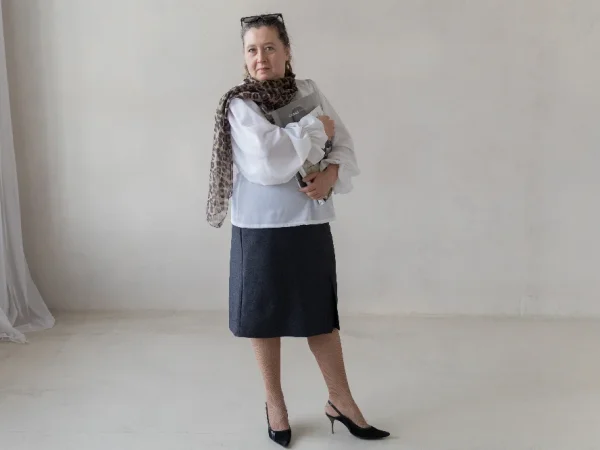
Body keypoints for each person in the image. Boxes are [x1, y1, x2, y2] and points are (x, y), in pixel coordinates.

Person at [206, 13, 390, 447]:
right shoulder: (239, 104)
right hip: (259, 226)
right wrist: (312, 128)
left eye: (270, 47)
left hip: (308, 221)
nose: (261, 57)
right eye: (252, 50)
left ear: (287, 52)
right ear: (244, 57)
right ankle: (275, 404)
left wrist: (330, 174)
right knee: (263, 319)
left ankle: (341, 401)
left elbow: (341, 140)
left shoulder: (309, 91)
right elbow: (266, 162)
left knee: (319, 317)